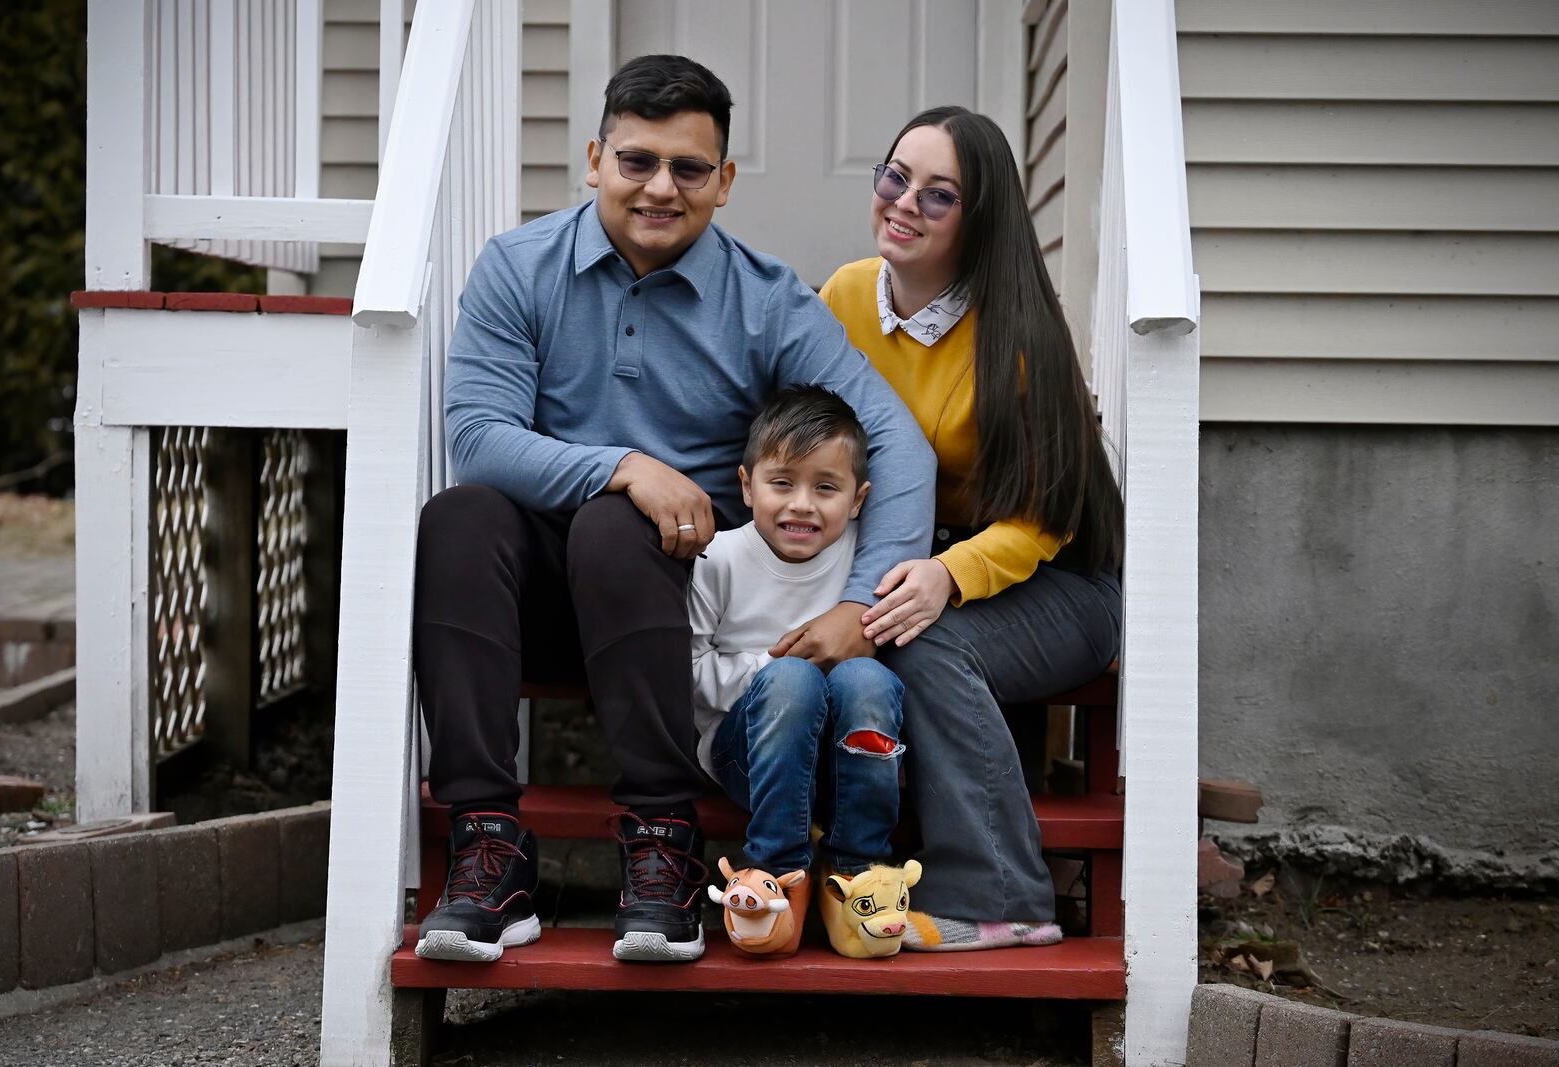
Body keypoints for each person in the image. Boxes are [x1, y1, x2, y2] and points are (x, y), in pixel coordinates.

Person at [410, 55, 935, 965]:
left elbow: (895, 439)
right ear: (594, 160)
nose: (660, 187)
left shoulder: (765, 299)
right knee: (460, 516)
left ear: (724, 182)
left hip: (677, 604)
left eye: (689, 169)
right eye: (636, 161)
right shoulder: (518, 268)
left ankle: (662, 842)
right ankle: (488, 848)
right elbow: (480, 436)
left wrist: (859, 604)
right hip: (541, 587)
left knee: (619, 528)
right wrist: (624, 465)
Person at [819, 106, 1124, 951]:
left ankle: (1002, 897)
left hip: (1058, 579)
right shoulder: (844, 294)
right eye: (895, 178)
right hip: (918, 561)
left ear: (978, 218)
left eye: (938, 195)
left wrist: (950, 574)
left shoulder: (1018, 330)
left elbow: (1045, 517)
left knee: (923, 638)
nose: (905, 203)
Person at [690, 385, 906, 956]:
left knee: (870, 679)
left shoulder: (868, 557)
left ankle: (859, 871)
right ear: (746, 485)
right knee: (794, 680)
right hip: (747, 753)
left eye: (826, 488)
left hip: (841, 764)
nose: (801, 505)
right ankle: (774, 871)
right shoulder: (720, 560)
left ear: (859, 500)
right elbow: (689, 672)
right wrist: (776, 667)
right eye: (781, 483)